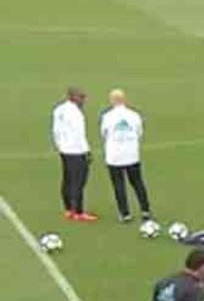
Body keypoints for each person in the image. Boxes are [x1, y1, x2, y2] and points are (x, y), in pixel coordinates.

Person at [98, 89, 151, 222]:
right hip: (132, 154)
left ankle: (125, 213)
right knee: (138, 183)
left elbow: (104, 133)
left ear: (112, 100)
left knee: (118, 185)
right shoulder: (134, 115)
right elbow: (139, 132)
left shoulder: (107, 116)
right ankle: (145, 210)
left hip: (114, 156)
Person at [51, 86, 98, 222]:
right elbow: (79, 134)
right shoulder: (75, 113)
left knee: (67, 179)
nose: (83, 100)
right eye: (81, 97)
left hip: (64, 150)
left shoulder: (59, 109)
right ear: (73, 97)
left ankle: (68, 209)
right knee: (79, 181)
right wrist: (87, 150)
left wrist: (59, 145)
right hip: (76, 150)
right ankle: (78, 212)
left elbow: (55, 130)